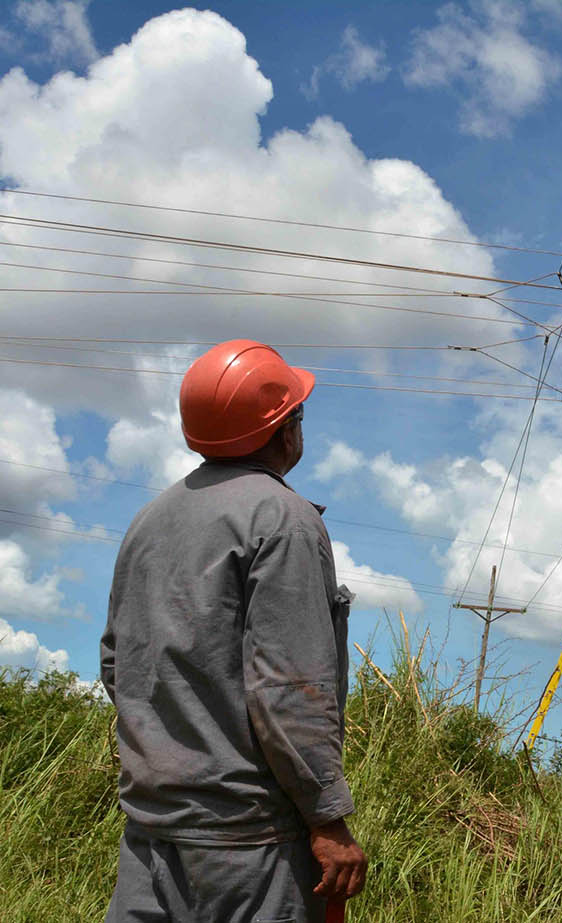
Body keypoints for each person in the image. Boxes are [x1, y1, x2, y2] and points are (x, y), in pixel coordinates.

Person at [101, 339, 367, 922]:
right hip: (248, 850)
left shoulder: (149, 520)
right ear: (284, 428)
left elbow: (118, 664)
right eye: (298, 414)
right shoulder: (282, 519)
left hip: (150, 838)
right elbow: (288, 686)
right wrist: (327, 818)